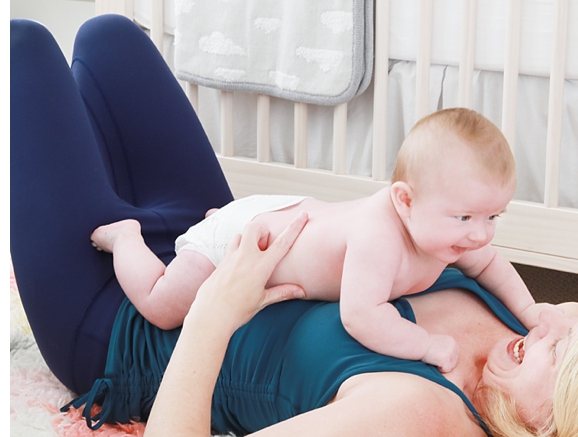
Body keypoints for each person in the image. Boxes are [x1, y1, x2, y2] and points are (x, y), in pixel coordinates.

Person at [11, 15, 578, 437]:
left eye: (565, 356)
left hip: (126, 322)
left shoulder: (418, 415)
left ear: (558, 433)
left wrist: (212, 316)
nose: (556, 324)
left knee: (21, 49)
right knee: (110, 36)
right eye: (577, 329)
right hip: (214, 239)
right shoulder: (529, 341)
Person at [89, 107, 545, 372]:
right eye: (465, 217)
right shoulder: (379, 237)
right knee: (163, 306)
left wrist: (531, 311)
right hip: (243, 241)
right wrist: (426, 345)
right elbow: (362, 316)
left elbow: (489, 264)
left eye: (493, 216)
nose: (480, 233)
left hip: (289, 216)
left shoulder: (446, 230)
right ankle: (127, 238)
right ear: (404, 200)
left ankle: (224, 215)